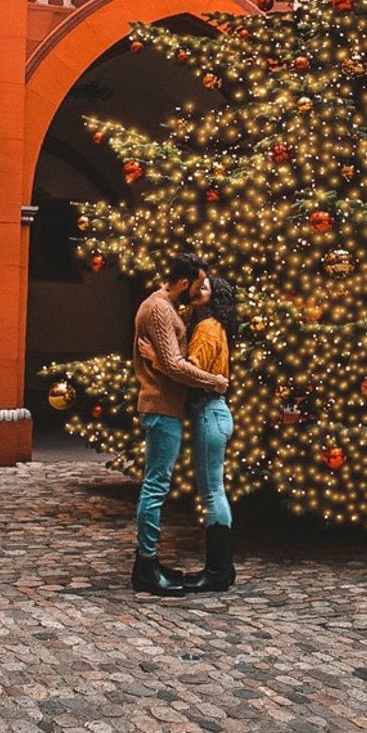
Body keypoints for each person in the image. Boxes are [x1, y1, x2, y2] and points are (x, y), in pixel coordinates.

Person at [131, 253, 229, 597]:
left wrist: (161, 359)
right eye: (199, 283)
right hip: (161, 407)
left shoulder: (171, 309)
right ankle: (146, 566)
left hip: (169, 408)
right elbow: (174, 365)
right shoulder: (159, 308)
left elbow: (170, 357)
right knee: (156, 485)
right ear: (185, 283)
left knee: (159, 484)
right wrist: (214, 382)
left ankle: (151, 563)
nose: (202, 289)